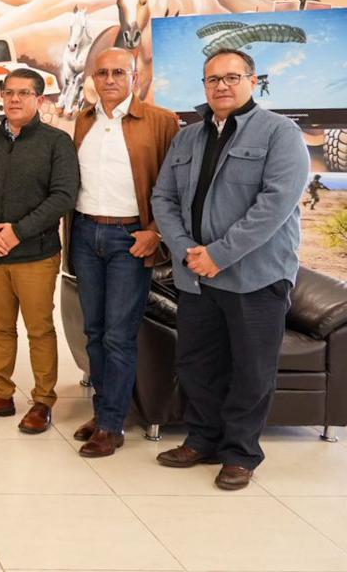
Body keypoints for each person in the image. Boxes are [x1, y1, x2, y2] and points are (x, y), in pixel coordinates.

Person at [151, 48, 308, 490]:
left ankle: (240, 453)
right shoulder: (187, 138)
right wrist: (186, 250)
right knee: (197, 363)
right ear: (204, 86)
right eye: (213, 79)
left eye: (231, 77)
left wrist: (219, 253)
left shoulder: (280, 133)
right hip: (196, 276)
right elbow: (163, 198)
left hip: (256, 275)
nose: (221, 85)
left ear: (253, 81)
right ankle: (202, 440)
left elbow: (274, 205)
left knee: (251, 370)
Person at [70, 48, 178, 457]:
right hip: (85, 234)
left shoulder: (162, 121)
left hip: (130, 239)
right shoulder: (83, 120)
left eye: (119, 72)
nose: (110, 79)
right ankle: (104, 411)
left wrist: (155, 231)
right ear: (93, 78)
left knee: (118, 334)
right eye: (102, 72)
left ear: (136, 77)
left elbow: (175, 186)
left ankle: (112, 425)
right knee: (94, 332)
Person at [0, 69, 78, 432]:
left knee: (39, 329)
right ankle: (0, 394)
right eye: (9, 92)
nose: (14, 99)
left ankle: (42, 400)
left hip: (36, 254)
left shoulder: (57, 142)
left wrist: (18, 232)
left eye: (23, 93)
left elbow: (63, 196)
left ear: (39, 100)